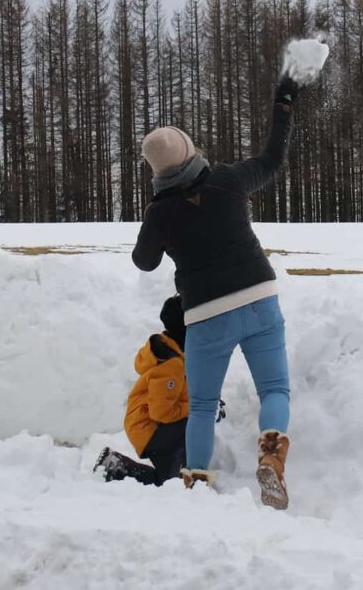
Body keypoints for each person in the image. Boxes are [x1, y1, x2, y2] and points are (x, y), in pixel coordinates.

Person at [132, 76, 298, 509]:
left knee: (203, 405)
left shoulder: (160, 212)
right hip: (260, 296)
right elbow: (273, 158)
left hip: (206, 313)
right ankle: (271, 456)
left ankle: (195, 485)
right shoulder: (227, 180)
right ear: (191, 150)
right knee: (275, 389)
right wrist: (282, 102)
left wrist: (156, 218)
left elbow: (143, 261)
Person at [94, 295, 218, 487]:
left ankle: (116, 466)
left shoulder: (175, 351)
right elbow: (162, 412)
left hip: (151, 425)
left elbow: (178, 393)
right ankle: (118, 467)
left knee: (167, 482)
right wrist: (197, 407)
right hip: (150, 427)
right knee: (175, 482)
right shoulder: (172, 364)